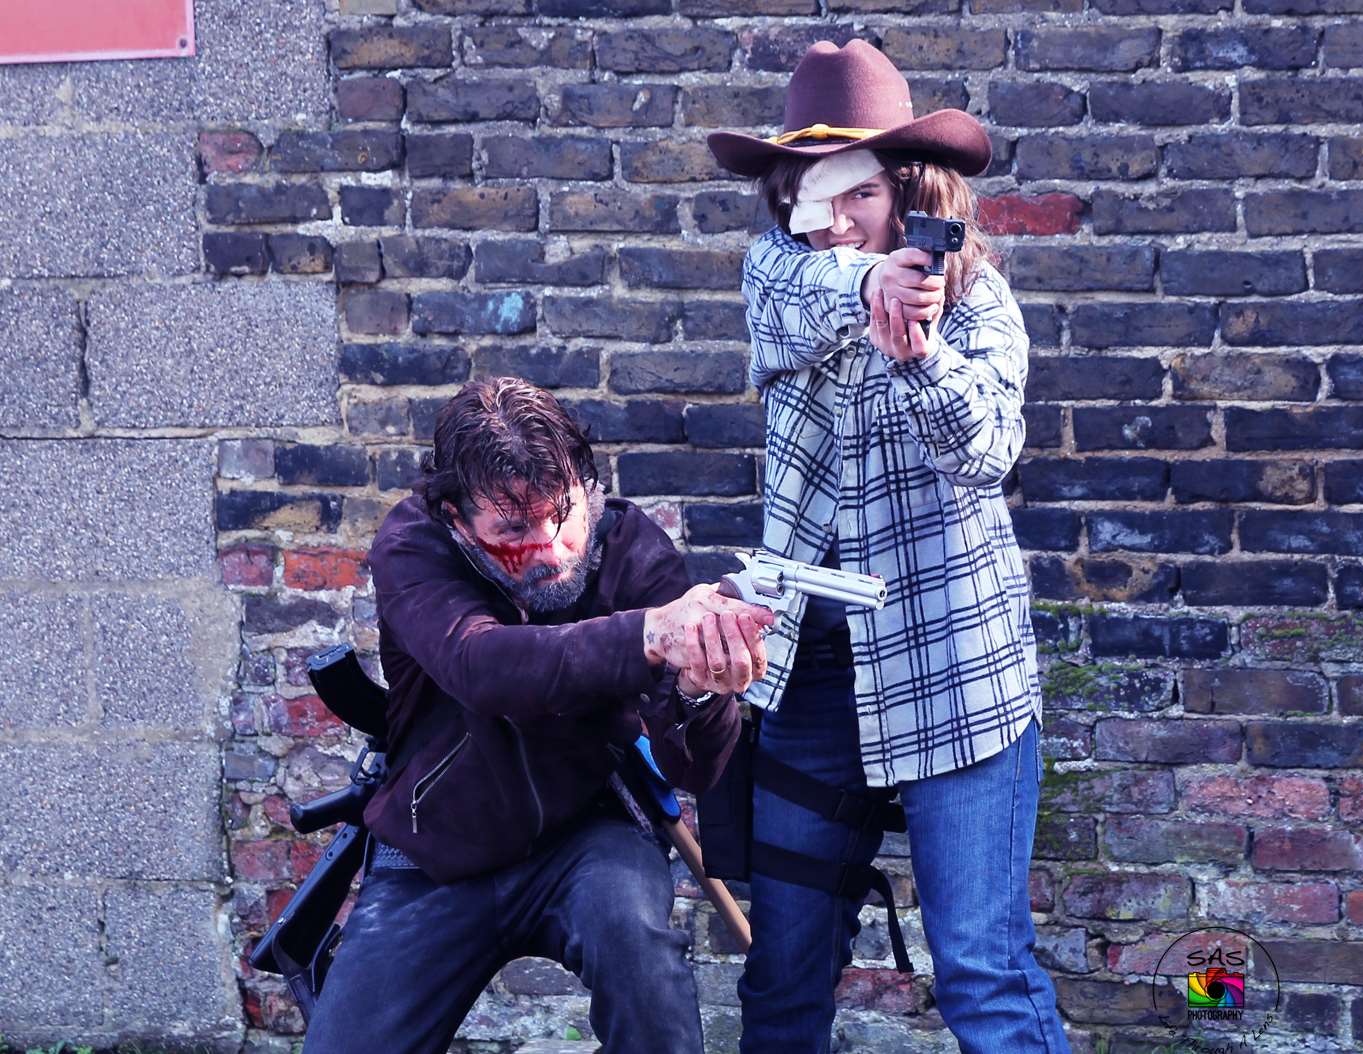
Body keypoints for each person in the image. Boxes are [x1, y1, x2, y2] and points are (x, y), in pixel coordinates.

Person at [707, 39, 1072, 1054]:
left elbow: (987, 452)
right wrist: (872, 285)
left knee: (981, 971)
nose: (821, 218)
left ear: (909, 189)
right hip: (814, 671)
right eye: (802, 193)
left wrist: (917, 356)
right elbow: (802, 286)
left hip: (954, 668)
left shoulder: (980, 304)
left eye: (852, 193)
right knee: (781, 973)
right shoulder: (781, 272)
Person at [301, 377, 776, 1054]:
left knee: (639, 954)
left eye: (562, 514)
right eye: (513, 529)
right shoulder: (414, 546)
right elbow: (484, 667)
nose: (549, 549)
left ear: (585, 484)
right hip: (435, 844)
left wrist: (703, 693)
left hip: (588, 831)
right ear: (458, 520)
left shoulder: (631, 550)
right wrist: (647, 636)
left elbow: (697, 768)